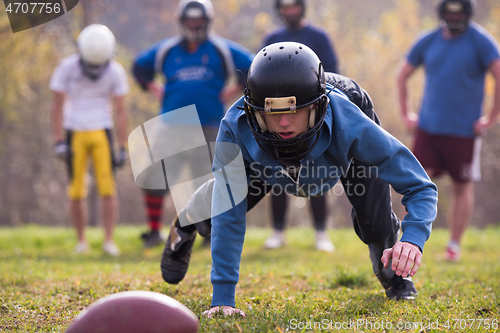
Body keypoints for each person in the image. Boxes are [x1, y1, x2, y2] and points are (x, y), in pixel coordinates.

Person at [160, 42, 438, 316]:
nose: (283, 123)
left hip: (340, 144)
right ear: (255, 111)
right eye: (274, 112)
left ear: (317, 106)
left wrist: (413, 238)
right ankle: (187, 221)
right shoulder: (236, 126)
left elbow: (420, 186)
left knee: (374, 223)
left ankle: (393, 275)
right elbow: (228, 211)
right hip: (265, 159)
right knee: (228, 199)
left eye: (293, 111)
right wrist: (223, 297)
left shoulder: (350, 122)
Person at [131, 0, 254, 248]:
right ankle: (153, 231)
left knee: (208, 181)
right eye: (190, 20)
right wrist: (153, 87)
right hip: (171, 125)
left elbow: (254, 65)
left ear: (207, 21)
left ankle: (210, 234)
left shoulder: (221, 49)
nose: (194, 25)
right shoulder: (167, 50)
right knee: (155, 176)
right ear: (182, 21)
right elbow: (138, 66)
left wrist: (234, 90)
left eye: (199, 20)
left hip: (209, 125)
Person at [396, 0, 500, 262]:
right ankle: (402, 239)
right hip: (428, 130)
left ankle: (453, 246)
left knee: (462, 186)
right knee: (412, 182)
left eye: (460, 12)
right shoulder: (428, 40)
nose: (455, 17)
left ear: (468, 13)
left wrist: (490, 118)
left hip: (464, 131)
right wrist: (407, 113)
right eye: (451, 12)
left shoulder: (480, 41)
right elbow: (402, 75)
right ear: (443, 13)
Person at [261, 0, 340, 252]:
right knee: (277, 173)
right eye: (285, 7)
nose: (289, 11)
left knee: (316, 172)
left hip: (309, 115)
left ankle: (320, 232)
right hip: (278, 114)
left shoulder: (318, 37)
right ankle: (278, 232)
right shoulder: (272, 37)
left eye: (293, 6)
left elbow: (333, 74)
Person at [50, 24, 129, 256]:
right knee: (75, 190)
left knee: (107, 187)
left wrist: (122, 146)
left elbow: (121, 110)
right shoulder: (66, 68)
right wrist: (58, 140)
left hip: (102, 131)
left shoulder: (115, 71)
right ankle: (81, 241)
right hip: (74, 132)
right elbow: (56, 106)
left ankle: (108, 241)